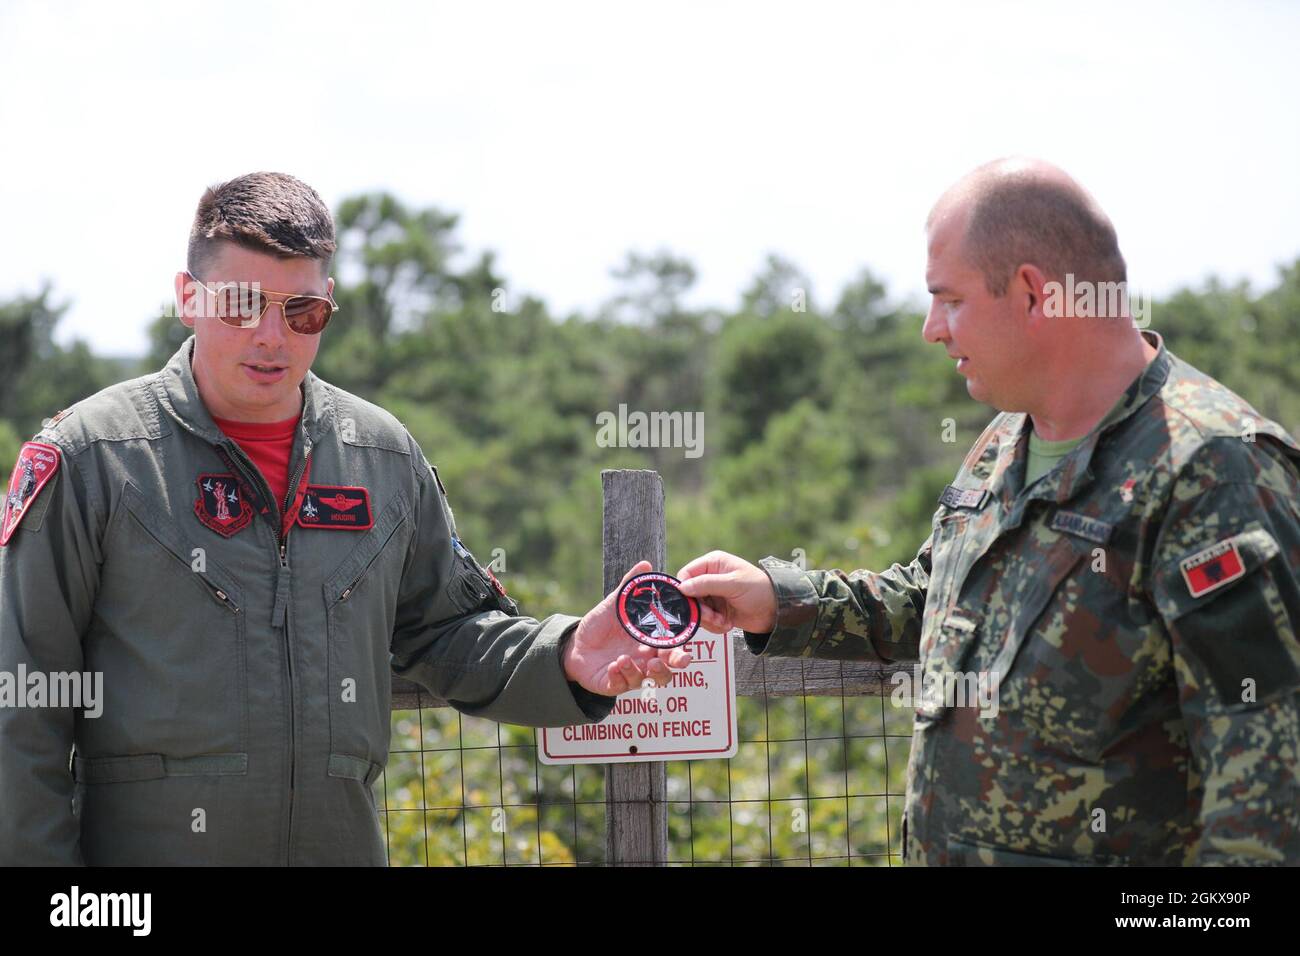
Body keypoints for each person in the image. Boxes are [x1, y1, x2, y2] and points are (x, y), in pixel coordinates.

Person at [0, 171, 689, 866]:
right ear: (187, 297)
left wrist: (566, 657)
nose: (272, 336)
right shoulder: (92, 459)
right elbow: (21, 708)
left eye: (302, 312)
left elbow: (446, 631)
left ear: (327, 306)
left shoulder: (381, 457)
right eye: (242, 304)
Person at [677, 158, 1300, 866]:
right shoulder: (1008, 436)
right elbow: (935, 601)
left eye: (949, 300)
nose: (929, 329)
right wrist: (780, 602)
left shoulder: (1213, 468)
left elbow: (1266, 797)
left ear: (1034, 294)